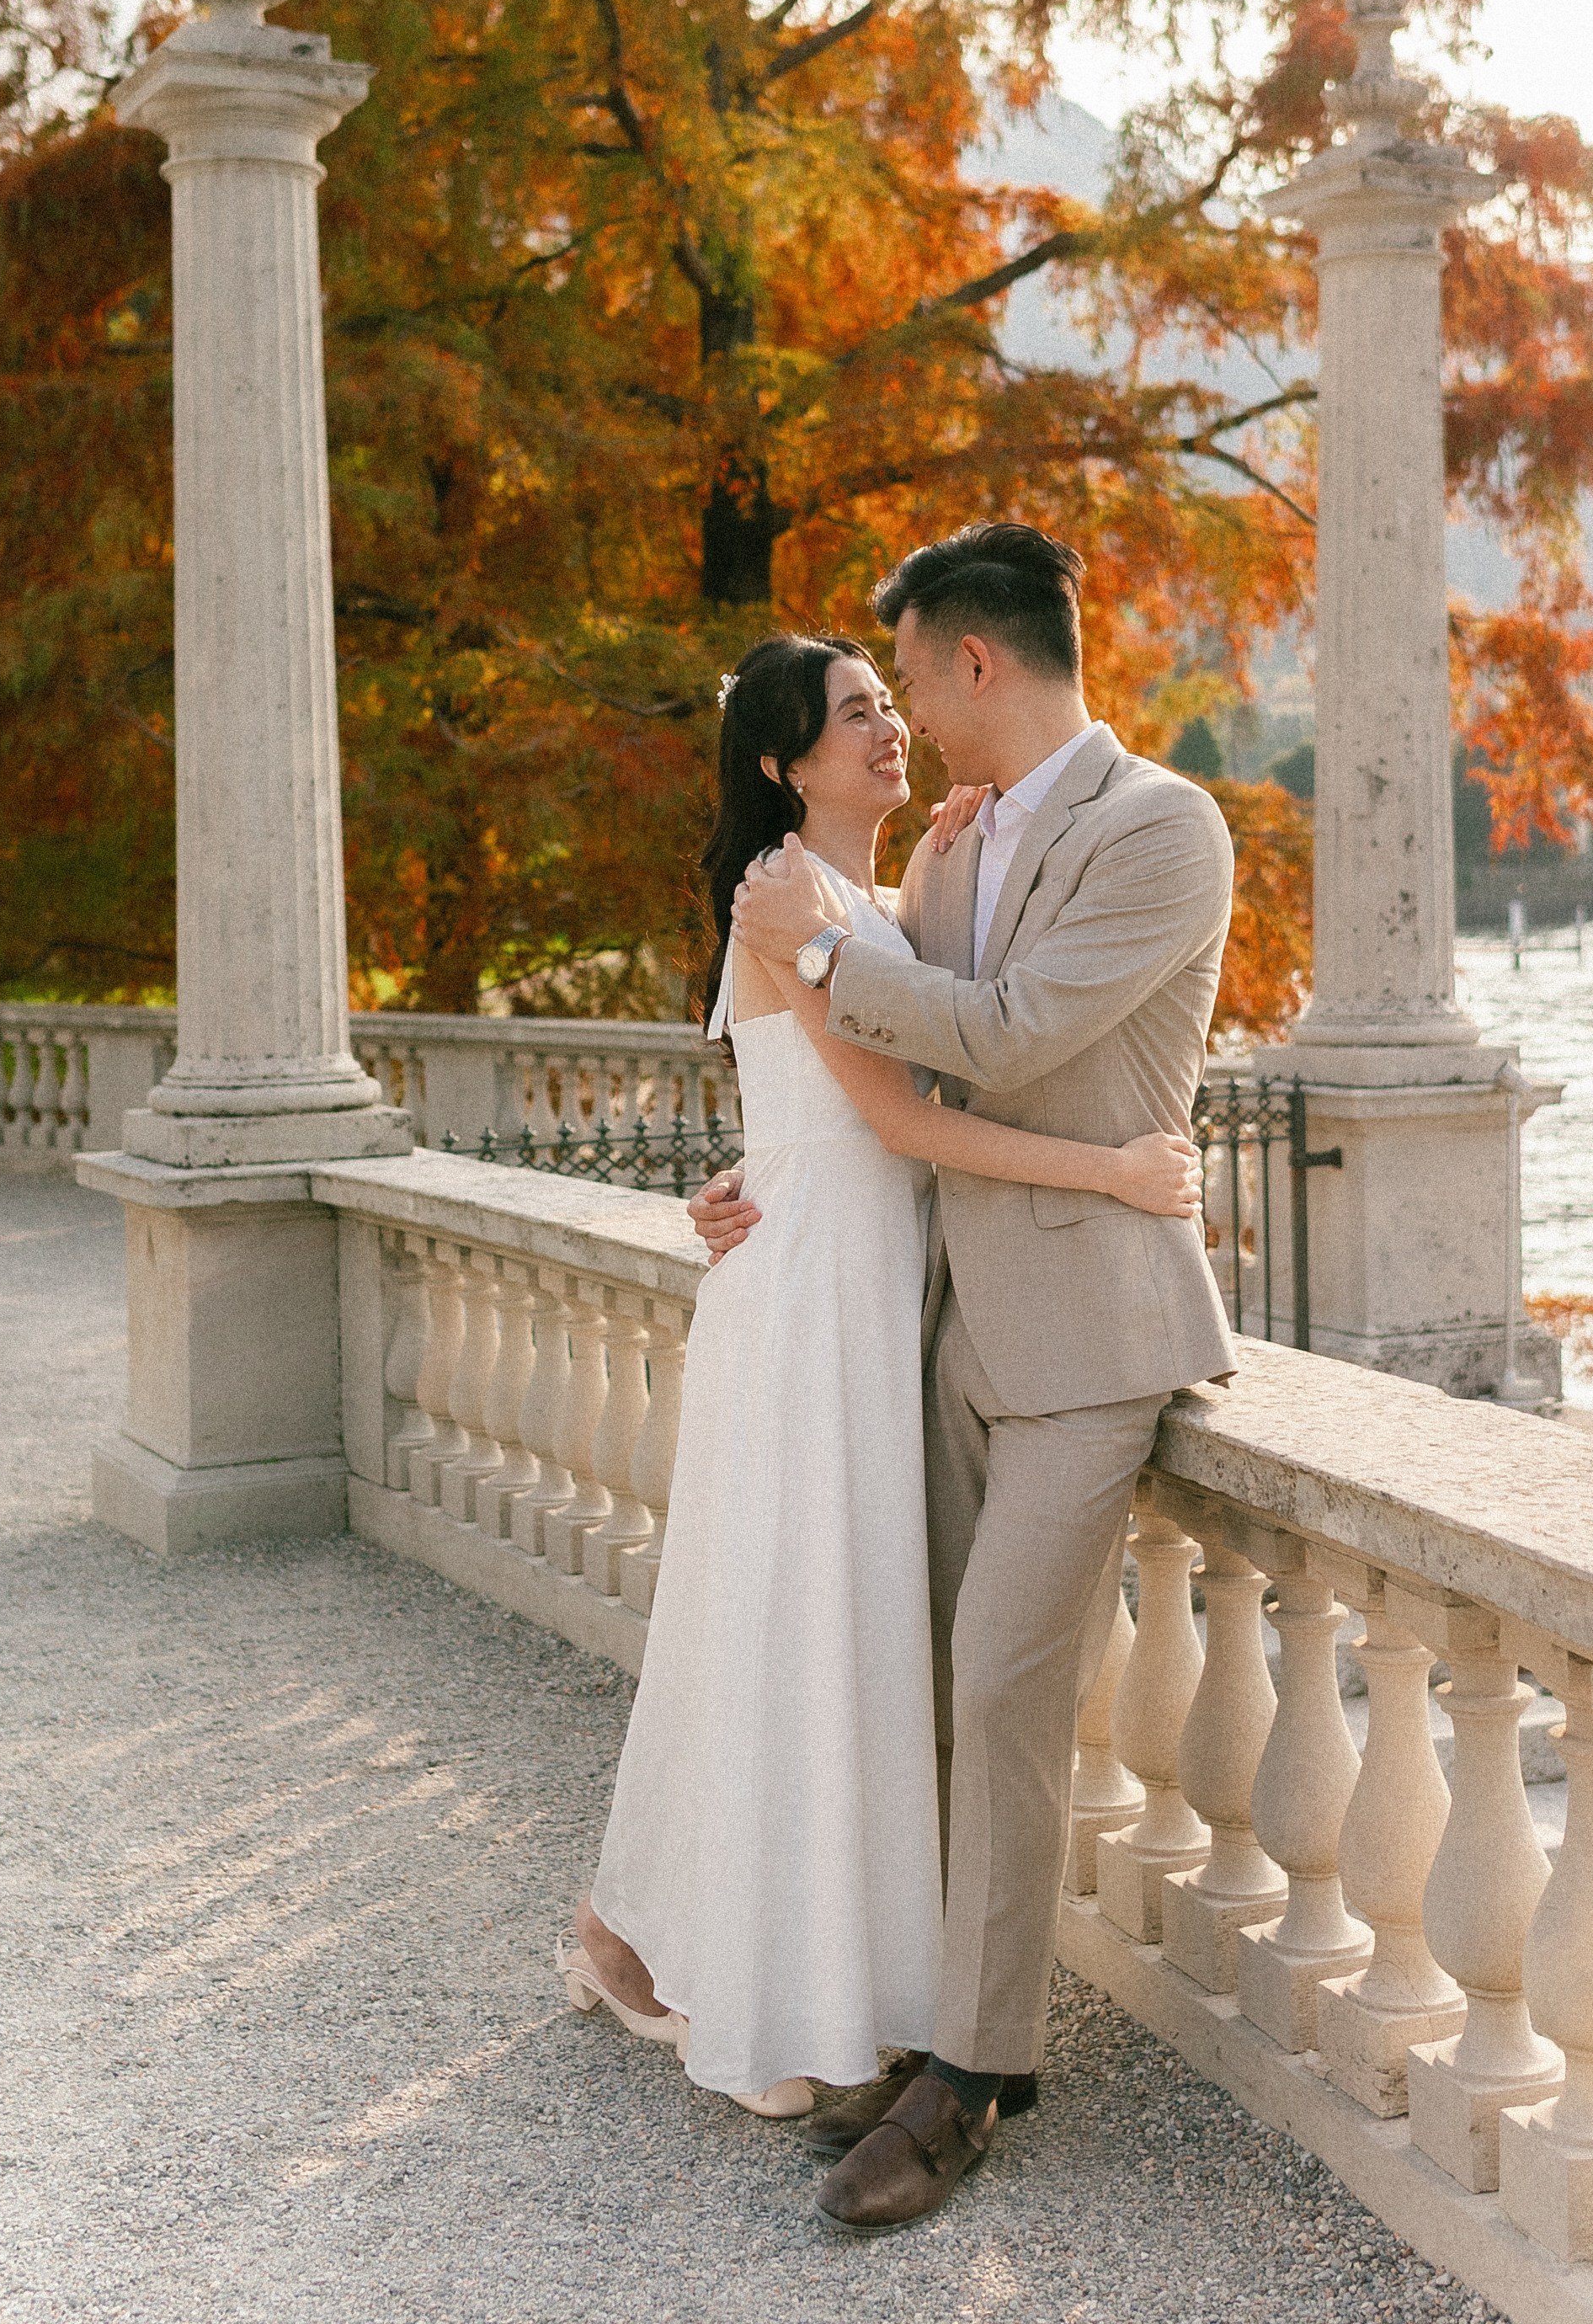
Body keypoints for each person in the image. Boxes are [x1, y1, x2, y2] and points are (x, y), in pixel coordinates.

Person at [562, 624, 1206, 2129]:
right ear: (783, 761)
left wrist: (939, 871)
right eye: (855, 715)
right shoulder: (787, 901)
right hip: (809, 1305)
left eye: (886, 703)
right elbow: (905, 1125)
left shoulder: (879, 891)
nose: (890, 731)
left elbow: (882, 1065)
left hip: (877, 1292)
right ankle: (697, 1955)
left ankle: (732, 1946)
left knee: (839, 1639)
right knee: (781, 1633)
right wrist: (1111, 1170)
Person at [699, 522, 1238, 2234]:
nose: (910, 712)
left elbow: (994, 1035)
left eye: (914, 674)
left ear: (978, 661)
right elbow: (872, 1078)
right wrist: (750, 1186)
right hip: (939, 1326)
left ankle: (968, 2076)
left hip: (1091, 1340)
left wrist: (822, 934)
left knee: (1003, 1683)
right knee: (920, 1679)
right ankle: (924, 2013)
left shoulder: (1163, 827)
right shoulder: (956, 845)